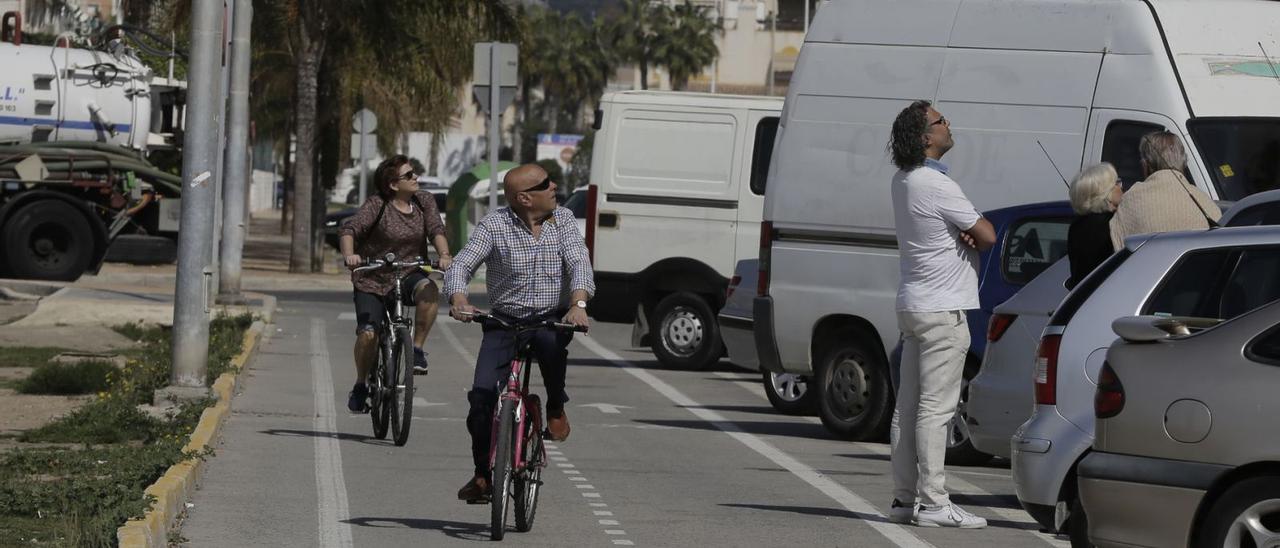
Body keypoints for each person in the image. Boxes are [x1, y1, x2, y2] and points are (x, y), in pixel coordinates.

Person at [445, 163, 594, 503]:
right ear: (525, 198)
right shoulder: (495, 225)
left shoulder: (565, 221)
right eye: (545, 184)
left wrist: (578, 305)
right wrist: (458, 297)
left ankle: (555, 406)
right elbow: (463, 263)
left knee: (551, 346)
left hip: (549, 318)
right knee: (481, 399)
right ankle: (483, 475)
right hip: (504, 321)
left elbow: (579, 263)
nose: (554, 186)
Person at [886, 100, 995, 528]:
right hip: (943, 308)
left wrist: (964, 231)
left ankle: (901, 500)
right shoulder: (939, 186)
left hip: (913, 302)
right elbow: (986, 234)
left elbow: (966, 232)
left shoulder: (903, 180)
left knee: (907, 409)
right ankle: (934, 503)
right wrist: (969, 231)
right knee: (935, 410)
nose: (948, 124)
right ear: (925, 137)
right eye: (940, 120)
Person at [339, 155, 452, 413]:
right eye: (409, 175)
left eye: (415, 174)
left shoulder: (424, 201)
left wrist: (444, 255)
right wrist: (350, 256)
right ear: (392, 184)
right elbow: (350, 230)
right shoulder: (377, 205)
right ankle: (360, 384)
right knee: (368, 333)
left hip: (408, 271)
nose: (416, 179)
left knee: (430, 290)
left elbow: (436, 230)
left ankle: (417, 349)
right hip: (373, 277)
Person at [1109, 131, 1221, 250]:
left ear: (1145, 165)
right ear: (1184, 163)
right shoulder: (1207, 204)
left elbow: (1118, 246)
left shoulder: (1132, 199)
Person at [1066, 163, 1123, 289]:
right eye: (1117, 183)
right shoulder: (1113, 223)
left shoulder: (1076, 226)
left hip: (1081, 297)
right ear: (1105, 193)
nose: (1121, 187)